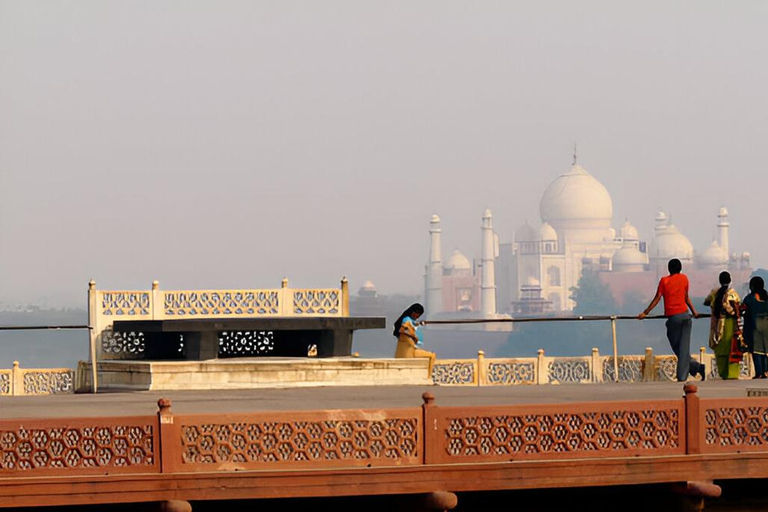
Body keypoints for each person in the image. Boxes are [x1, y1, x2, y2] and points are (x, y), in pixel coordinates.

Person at [639, 258, 705, 382]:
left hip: (674, 318)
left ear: (669, 269)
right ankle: (697, 367)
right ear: (680, 269)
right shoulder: (684, 278)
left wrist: (645, 313)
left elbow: (657, 298)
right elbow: (686, 298)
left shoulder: (664, 281)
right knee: (683, 348)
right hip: (686, 316)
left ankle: (682, 377)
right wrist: (694, 312)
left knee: (679, 348)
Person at [704, 271, 742, 380]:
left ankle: (723, 373)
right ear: (730, 280)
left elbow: (706, 302)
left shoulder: (714, 292)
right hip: (730, 324)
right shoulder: (732, 293)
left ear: (720, 281)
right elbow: (736, 307)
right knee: (732, 348)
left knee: (720, 349)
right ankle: (732, 374)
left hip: (717, 325)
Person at [393, 303, 436, 375]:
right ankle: (429, 377)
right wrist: (413, 336)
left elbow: (412, 325)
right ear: (414, 313)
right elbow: (402, 330)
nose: (418, 317)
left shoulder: (410, 320)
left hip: (406, 350)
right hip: (409, 352)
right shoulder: (407, 320)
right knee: (432, 356)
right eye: (418, 315)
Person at [741, 276, 768, 379]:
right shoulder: (766, 297)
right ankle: (766, 371)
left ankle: (759, 372)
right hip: (766, 327)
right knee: (765, 350)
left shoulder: (749, 299)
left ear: (752, 286)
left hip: (755, 326)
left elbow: (742, 308)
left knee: (756, 351)